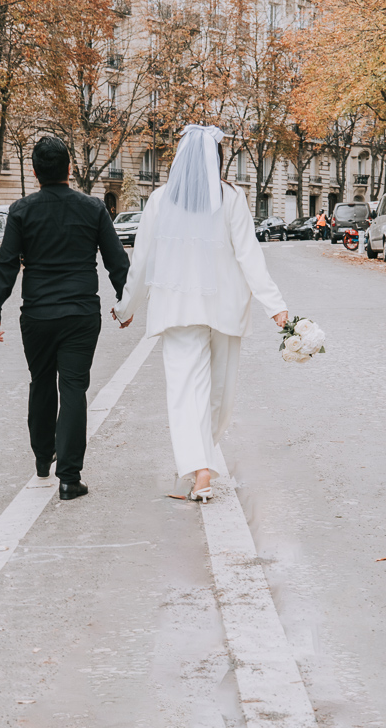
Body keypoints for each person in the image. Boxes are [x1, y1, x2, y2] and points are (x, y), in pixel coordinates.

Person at [112, 125, 288, 503]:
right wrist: (274, 305)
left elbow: (142, 260)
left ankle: (198, 470)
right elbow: (248, 254)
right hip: (224, 307)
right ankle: (201, 465)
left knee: (184, 392)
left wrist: (127, 306)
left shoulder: (159, 200)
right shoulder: (231, 197)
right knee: (220, 392)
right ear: (218, 159)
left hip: (177, 309)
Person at [0, 136, 131, 500]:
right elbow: (117, 261)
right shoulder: (94, 208)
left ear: (35, 173)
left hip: (36, 314)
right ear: (70, 168)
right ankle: (69, 477)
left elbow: (6, 264)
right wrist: (125, 303)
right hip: (81, 313)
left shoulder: (21, 210)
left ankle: (41, 459)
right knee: (74, 388)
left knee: (41, 382)